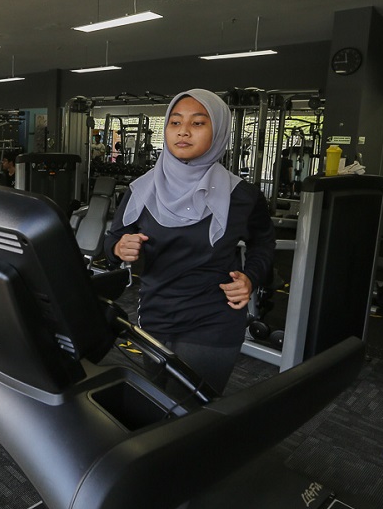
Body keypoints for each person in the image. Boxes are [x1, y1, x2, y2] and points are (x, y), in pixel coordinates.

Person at [105, 89, 276, 394]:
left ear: (218, 131)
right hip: (155, 314)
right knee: (158, 404)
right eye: (175, 122)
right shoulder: (140, 190)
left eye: (198, 123)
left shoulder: (242, 195)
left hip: (212, 319)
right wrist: (119, 248)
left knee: (190, 414)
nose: (183, 131)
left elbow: (263, 243)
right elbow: (113, 241)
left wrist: (251, 278)